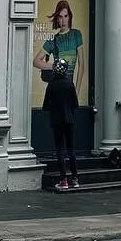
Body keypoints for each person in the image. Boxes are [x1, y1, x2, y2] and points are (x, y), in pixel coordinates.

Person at [42, 62, 80, 190]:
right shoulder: (69, 84)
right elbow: (75, 103)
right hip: (69, 120)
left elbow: (46, 105)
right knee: (71, 149)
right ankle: (75, 179)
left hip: (57, 120)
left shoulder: (51, 85)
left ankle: (63, 180)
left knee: (60, 150)